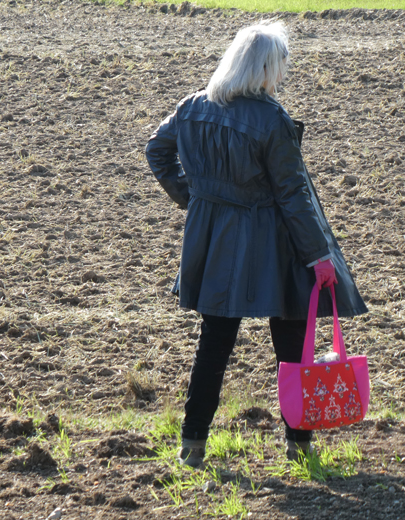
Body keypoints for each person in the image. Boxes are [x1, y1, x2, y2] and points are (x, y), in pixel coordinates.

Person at [145, 21, 367, 468]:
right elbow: (293, 195)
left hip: (214, 242)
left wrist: (199, 200)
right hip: (274, 247)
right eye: (281, 63)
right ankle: (299, 446)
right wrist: (320, 256)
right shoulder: (273, 120)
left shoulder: (191, 107)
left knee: (213, 344)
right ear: (266, 67)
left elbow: (157, 151)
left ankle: (192, 446)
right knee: (292, 344)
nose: (284, 72)